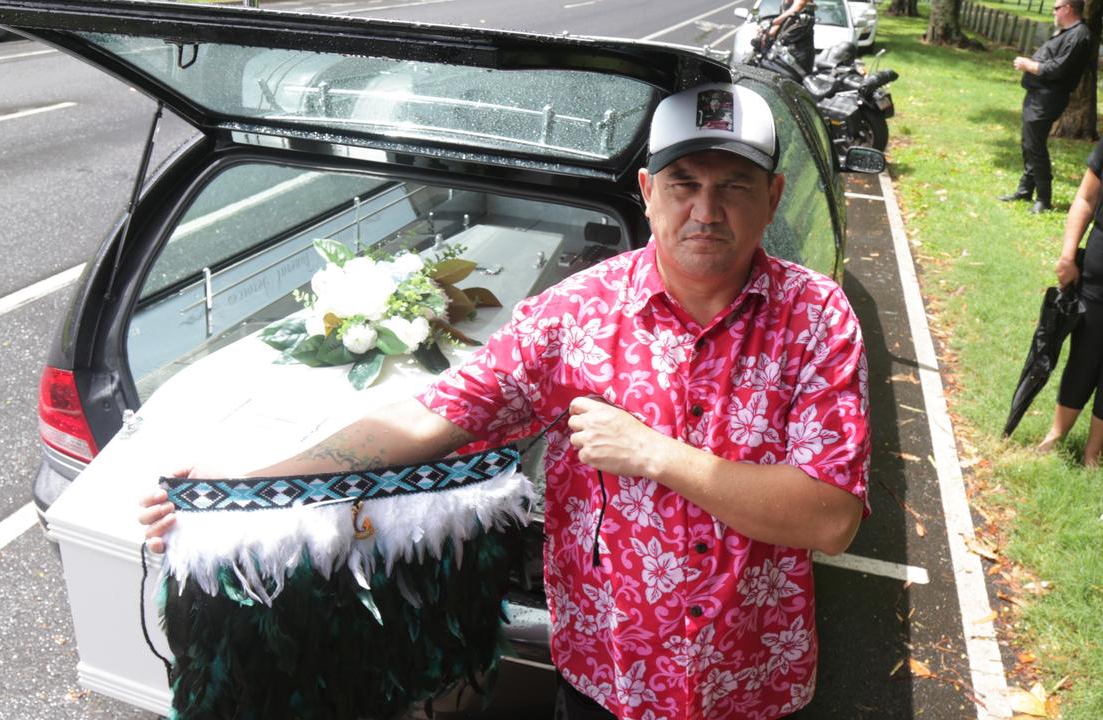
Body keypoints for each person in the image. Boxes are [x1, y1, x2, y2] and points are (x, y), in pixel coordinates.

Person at [141, 81, 871, 720]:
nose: (706, 209)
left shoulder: (816, 318)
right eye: (684, 182)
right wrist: (246, 488)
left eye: (734, 185)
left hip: (749, 682)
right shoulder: (574, 315)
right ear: (649, 194)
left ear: (772, 198)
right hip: (610, 682)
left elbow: (830, 519)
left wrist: (656, 455)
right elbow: (427, 418)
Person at [1036, 138, 1103, 465]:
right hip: (1098, 272)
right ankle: (1056, 435)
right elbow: (1086, 198)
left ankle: (1094, 452)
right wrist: (1067, 255)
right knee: (1085, 354)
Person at [999, 0, 1092, 214]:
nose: (1054, 12)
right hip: (1036, 96)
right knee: (1028, 143)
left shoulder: (1080, 35)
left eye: (1056, 8)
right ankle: (1025, 190)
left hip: (1048, 98)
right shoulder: (1066, 32)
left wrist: (1030, 65)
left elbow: (1060, 69)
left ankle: (1043, 198)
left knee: (1035, 146)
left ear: (1068, 8)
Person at [770, 0, 816, 75]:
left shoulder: (799, 3)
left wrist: (774, 22)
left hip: (799, 52)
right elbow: (783, 19)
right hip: (784, 49)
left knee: (793, 79)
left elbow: (799, 5)